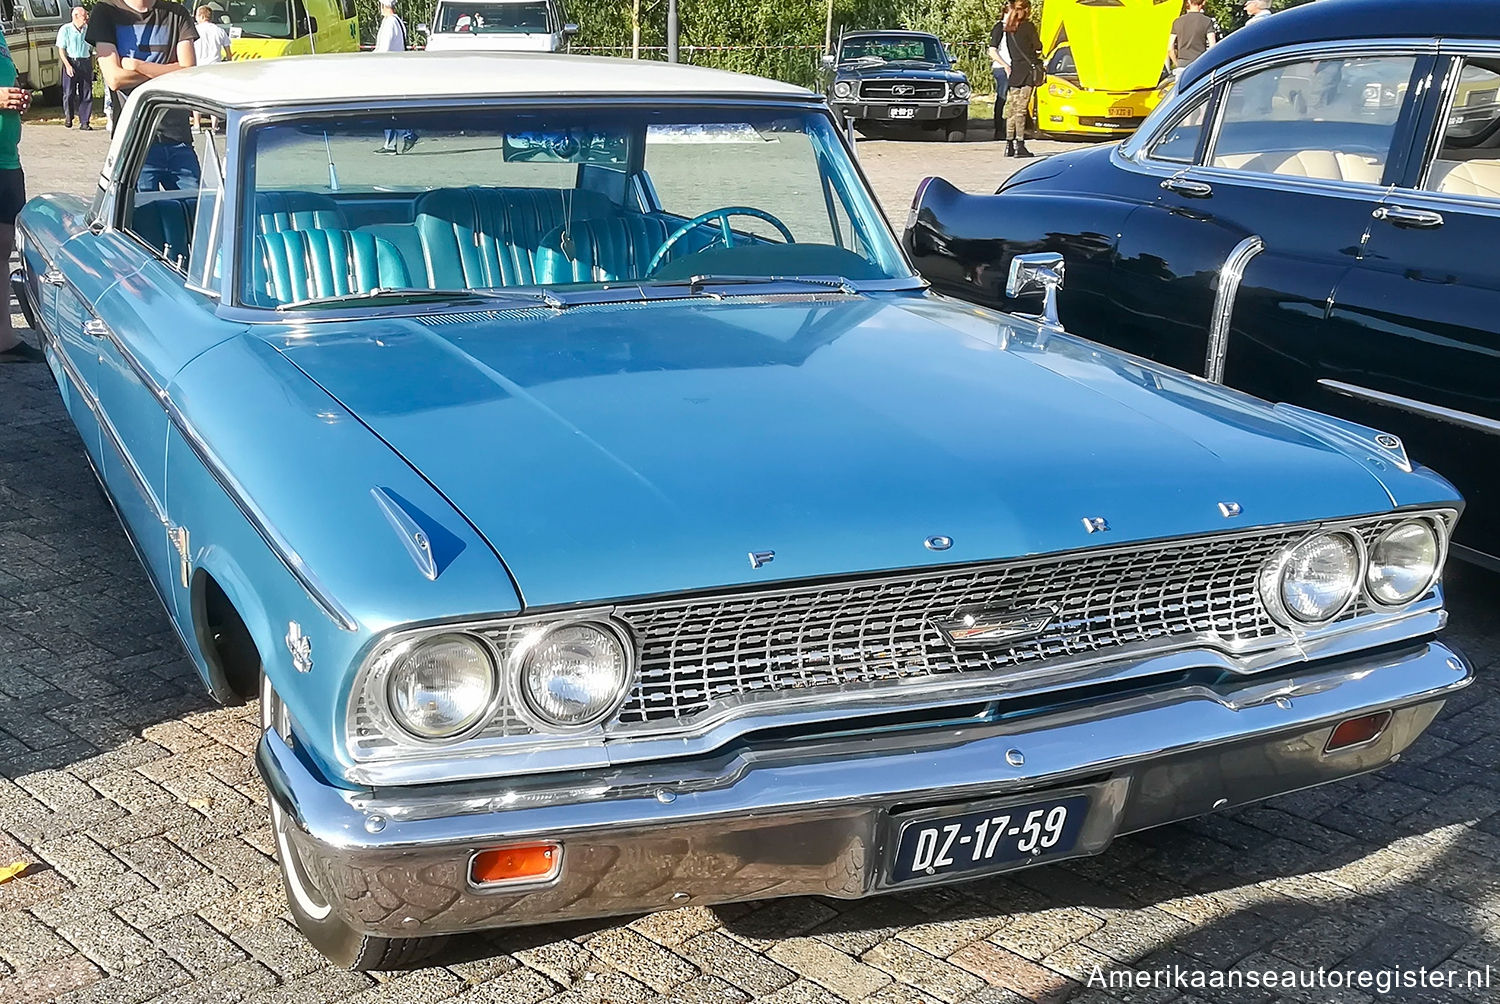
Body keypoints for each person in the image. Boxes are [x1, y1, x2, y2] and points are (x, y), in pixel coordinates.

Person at [88, 0, 199, 189]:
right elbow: (115, 79)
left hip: (178, 138)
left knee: (196, 213)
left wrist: (139, 66)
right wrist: (170, 70)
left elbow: (188, 72)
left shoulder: (177, 13)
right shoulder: (106, 11)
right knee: (143, 214)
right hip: (134, 142)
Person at [0, 40, 39, 363]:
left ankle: (4, 339)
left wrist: (18, 99)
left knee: (3, 245)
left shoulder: (1, 35)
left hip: (7, 157)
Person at [373, 0, 416, 153]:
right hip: (396, 69)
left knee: (388, 109)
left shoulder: (389, 23)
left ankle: (406, 135)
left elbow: (383, 50)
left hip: (388, 70)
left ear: (383, 6)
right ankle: (392, 142)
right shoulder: (397, 21)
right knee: (391, 109)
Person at [1001, 0, 1041, 158]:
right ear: (1025, 10)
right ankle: (1020, 144)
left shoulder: (1008, 29)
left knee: (1011, 109)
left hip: (1015, 72)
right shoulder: (1028, 27)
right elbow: (1037, 46)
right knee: (1021, 110)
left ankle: (1008, 144)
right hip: (1026, 73)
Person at [56, 6, 94, 129]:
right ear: (76, 16)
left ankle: (85, 122)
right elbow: (61, 50)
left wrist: (92, 67)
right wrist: (67, 65)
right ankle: (69, 117)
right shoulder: (65, 29)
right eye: (84, 16)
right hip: (71, 61)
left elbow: (92, 50)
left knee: (86, 92)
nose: (86, 18)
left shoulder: (88, 29)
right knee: (69, 93)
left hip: (85, 61)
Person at [1169, 0, 1217, 72]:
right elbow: (1212, 46)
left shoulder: (1177, 21)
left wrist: (1177, 64)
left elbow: (1170, 48)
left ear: (1188, 1)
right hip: (1200, 64)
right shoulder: (1207, 21)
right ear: (1203, 2)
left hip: (1182, 65)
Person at [987, 11, 1010, 140]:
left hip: (1015, 67)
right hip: (1001, 68)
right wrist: (1005, 65)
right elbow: (992, 50)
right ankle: (999, 129)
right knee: (1002, 97)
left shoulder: (1016, 27)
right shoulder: (999, 27)